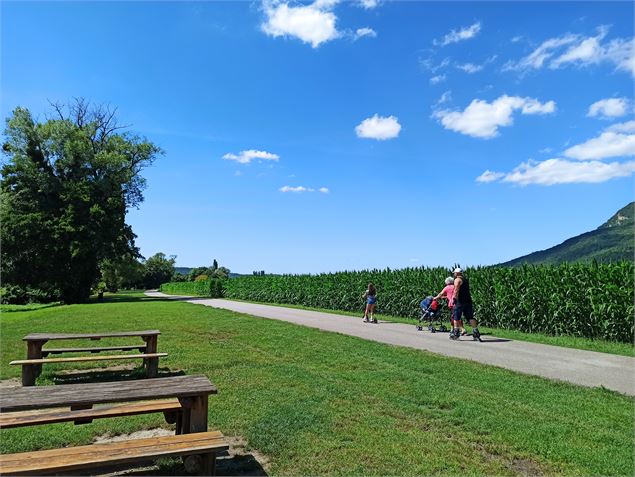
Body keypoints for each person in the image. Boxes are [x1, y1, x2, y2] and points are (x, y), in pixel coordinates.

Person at [450, 268, 480, 341]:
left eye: (454, 273)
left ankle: (456, 335)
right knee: (470, 317)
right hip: (468, 301)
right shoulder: (466, 280)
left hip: (460, 301)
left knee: (456, 318)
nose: (454, 274)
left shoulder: (457, 280)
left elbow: (456, 290)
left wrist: (454, 299)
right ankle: (476, 333)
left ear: (457, 273)